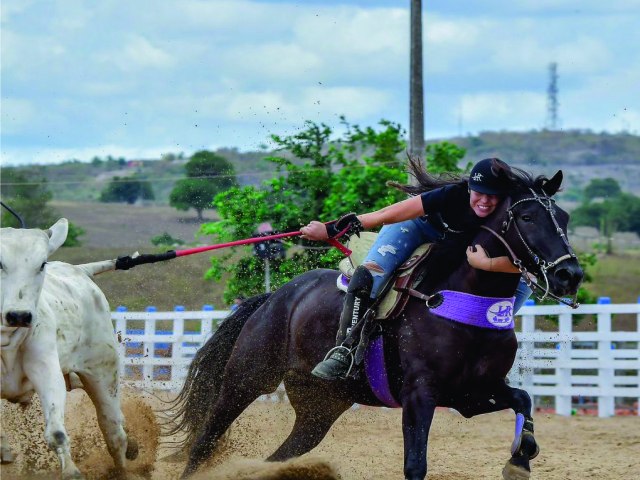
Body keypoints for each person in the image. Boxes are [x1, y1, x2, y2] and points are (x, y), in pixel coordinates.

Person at [300, 157, 533, 381]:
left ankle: (486, 344)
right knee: (369, 276)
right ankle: (345, 350)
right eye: (479, 193)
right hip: (417, 228)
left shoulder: (511, 211)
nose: (485, 201)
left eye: (493, 196)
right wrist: (329, 229)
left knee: (523, 284)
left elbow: (528, 266)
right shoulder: (452, 194)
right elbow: (385, 214)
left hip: (457, 250)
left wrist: (487, 264)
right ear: (469, 188)